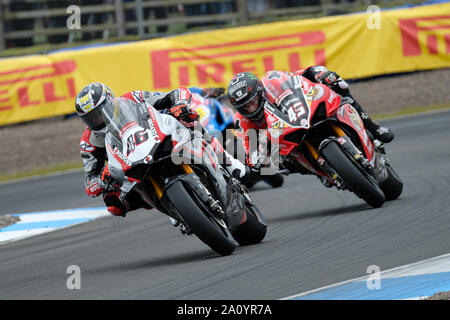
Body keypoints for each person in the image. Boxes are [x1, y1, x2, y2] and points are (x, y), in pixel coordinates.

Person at [75, 83, 247, 217]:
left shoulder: (131, 99)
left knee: (188, 118)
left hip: (159, 139)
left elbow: (175, 93)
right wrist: (103, 179)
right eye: (91, 118)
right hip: (130, 167)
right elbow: (89, 184)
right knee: (113, 204)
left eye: (100, 113)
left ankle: (227, 160)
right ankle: (171, 207)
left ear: (111, 101)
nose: (98, 120)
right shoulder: (89, 142)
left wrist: (179, 104)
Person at [227, 66, 395, 172]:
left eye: (253, 101)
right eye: (245, 106)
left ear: (261, 92)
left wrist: (321, 74)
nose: (251, 108)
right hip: (286, 144)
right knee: (285, 166)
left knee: (339, 86)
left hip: (303, 114)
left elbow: (301, 75)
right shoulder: (241, 122)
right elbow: (249, 149)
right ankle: (323, 171)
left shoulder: (272, 81)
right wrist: (255, 159)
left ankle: (373, 127)